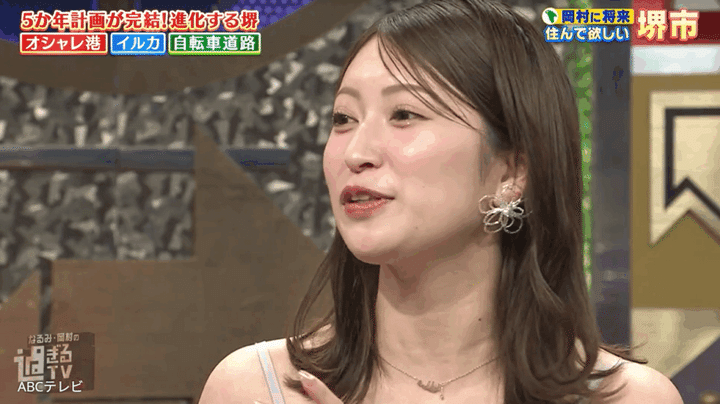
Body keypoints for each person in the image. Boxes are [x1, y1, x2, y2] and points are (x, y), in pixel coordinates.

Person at [199, 0, 685, 403]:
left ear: (512, 171)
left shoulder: (628, 398)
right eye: (344, 118)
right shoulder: (255, 389)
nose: (355, 152)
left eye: (404, 114)